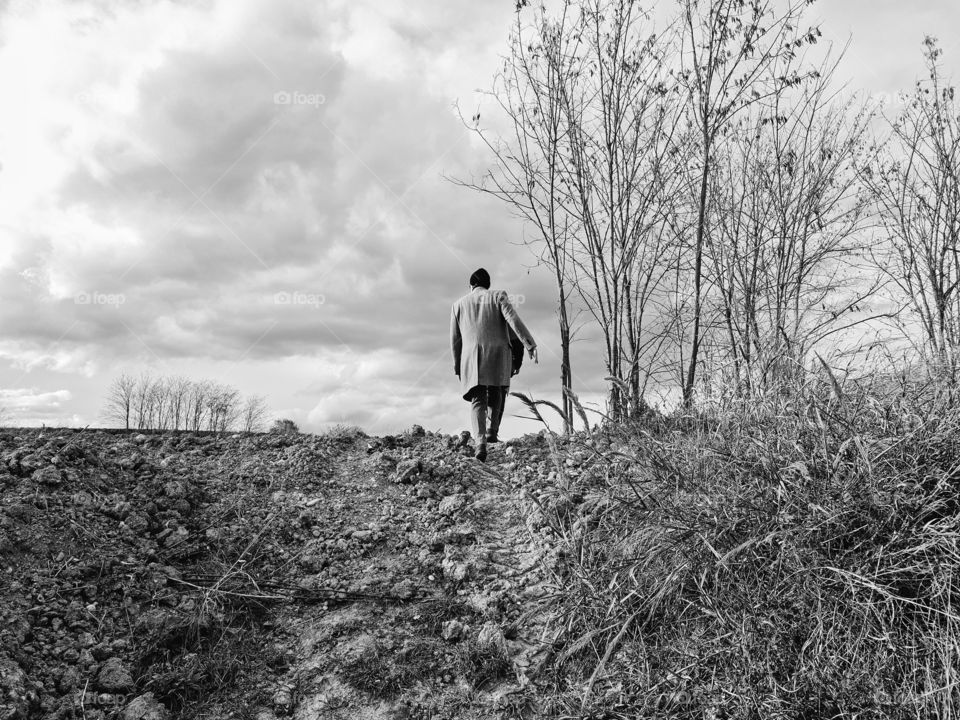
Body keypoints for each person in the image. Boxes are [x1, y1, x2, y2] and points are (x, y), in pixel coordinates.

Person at [450, 268, 537, 461]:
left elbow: (455, 341)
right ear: (488, 285)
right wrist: (528, 343)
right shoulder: (499, 296)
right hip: (498, 354)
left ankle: (480, 442)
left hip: (472, 357)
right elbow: (513, 320)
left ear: (471, 285)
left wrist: (458, 366)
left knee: (478, 400)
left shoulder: (458, 305)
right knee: (497, 391)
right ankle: (492, 431)